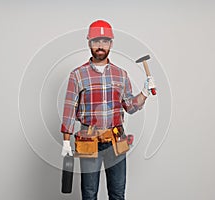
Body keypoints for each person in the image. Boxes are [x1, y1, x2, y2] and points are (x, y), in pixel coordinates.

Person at [60, 19, 155, 200]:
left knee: (117, 193)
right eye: (96, 41)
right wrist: (66, 141)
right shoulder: (77, 75)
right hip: (88, 139)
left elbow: (129, 106)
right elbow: (69, 109)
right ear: (89, 43)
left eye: (104, 41)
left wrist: (144, 92)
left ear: (111, 44)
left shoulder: (121, 74)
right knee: (89, 194)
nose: (100, 46)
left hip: (116, 140)